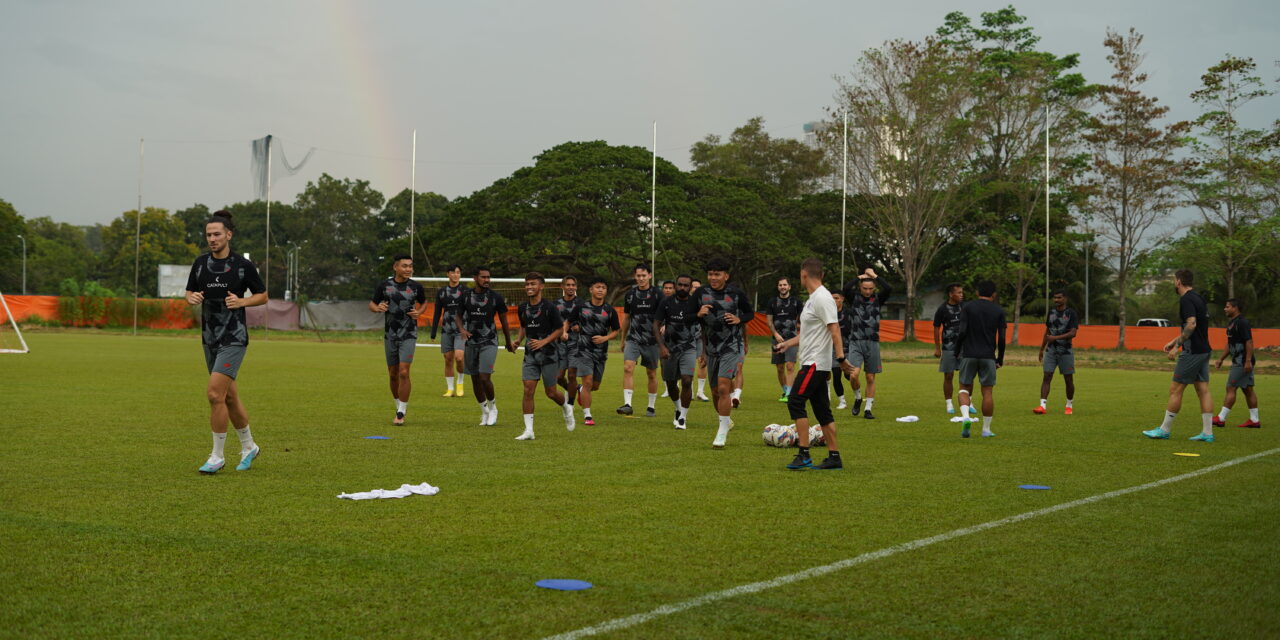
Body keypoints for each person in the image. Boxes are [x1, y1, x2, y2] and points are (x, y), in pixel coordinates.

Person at [184, 210, 266, 474]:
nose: (212, 238)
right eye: (208, 234)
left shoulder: (243, 265)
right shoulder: (199, 264)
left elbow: (262, 296)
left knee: (214, 394)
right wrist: (191, 298)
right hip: (209, 337)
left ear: (229, 235)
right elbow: (190, 291)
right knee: (229, 397)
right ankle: (249, 446)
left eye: (217, 234)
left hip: (234, 336)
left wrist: (242, 301)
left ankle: (216, 456)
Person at [778, 258, 856, 471]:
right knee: (823, 411)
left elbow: (834, 329)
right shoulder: (813, 299)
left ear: (804, 275)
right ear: (820, 274)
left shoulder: (822, 298)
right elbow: (808, 334)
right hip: (812, 362)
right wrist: (787, 344)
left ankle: (803, 454)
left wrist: (840, 358)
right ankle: (834, 457)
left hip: (814, 364)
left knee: (794, 400)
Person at [1145, 269, 1216, 443]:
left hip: (1192, 352)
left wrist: (1177, 346)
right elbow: (1195, 328)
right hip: (1203, 350)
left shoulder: (1186, 300)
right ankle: (1207, 433)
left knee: (1175, 389)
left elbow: (1191, 324)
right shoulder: (1198, 298)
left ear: (1178, 281)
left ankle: (1164, 430)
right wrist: (1174, 340)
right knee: (1203, 390)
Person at [695, 257, 754, 449]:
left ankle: (721, 433)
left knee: (722, 388)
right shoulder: (700, 293)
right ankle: (725, 421)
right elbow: (689, 316)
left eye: (717, 274)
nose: (713, 277)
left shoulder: (736, 293)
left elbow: (749, 314)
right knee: (714, 391)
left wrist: (739, 318)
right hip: (711, 348)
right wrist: (698, 313)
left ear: (726, 276)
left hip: (731, 345)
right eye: (710, 274)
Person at [513, 272, 574, 440]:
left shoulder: (549, 308)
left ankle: (566, 408)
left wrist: (544, 342)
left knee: (551, 393)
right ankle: (529, 430)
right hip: (530, 356)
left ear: (541, 286)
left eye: (533, 284)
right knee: (528, 390)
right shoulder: (522, 308)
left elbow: (559, 329)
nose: (529, 287)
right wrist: (518, 340)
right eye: (527, 284)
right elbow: (523, 326)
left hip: (549, 355)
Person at [369, 254, 428, 425]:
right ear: (395, 267)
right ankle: (398, 404)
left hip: (408, 334)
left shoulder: (416, 287)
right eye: (404, 266)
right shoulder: (385, 286)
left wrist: (420, 312)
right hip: (390, 335)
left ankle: (401, 411)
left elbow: (423, 303)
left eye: (410, 266)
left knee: (404, 371)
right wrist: (378, 307)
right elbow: (372, 304)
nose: (408, 269)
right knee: (393, 374)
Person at [456, 266, 515, 426]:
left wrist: (508, 342)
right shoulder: (466, 296)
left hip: (489, 341)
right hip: (471, 342)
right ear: (475, 278)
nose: (487, 280)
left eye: (488, 277)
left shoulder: (496, 297)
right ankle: (484, 411)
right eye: (483, 277)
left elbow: (504, 321)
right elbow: (458, 316)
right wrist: (462, 330)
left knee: (484, 376)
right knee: (475, 378)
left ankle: (493, 407)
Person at [953, 280, 1005, 439]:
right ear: (994, 294)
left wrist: (957, 351)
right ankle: (986, 429)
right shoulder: (998, 310)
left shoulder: (968, 307)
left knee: (963, 388)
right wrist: (999, 358)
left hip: (969, 354)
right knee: (987, 392)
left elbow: (961, 332)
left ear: (977, 292)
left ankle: (966, 417)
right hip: (988, 356)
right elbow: (1001, 338)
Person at [567, 277, 620, 426]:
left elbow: (616, 330)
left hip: (601, 352)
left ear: (606, 291)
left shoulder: (610, 310)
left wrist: (605, 338)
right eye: (597, 287)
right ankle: (588, 416)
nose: (600, 290)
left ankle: (580, 389)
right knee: (588, 380)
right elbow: (568, 321)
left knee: (594, 386)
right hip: (583, 350)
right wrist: (566, 331)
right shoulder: (581, 307)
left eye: (603, 287)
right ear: (591, 290)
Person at [843, 267, 891, 419]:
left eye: (871, 288)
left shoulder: (878, 298)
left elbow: (889, 288)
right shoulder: (854, 298)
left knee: (870, 378)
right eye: (865, 288)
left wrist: (874, 276)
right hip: (856, 342)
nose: (868, 291)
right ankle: (858, 398)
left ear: (874, 288)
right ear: (860, 287)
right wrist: (860, 277)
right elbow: (845, 288)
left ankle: (868, 409)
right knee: (853, 375)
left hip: (873, 342)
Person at [655, 274, 699, 429]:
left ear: (690, 287)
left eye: (686, 285)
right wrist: (662, 347)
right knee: (671, 383)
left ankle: (682, 418)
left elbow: (704, 327)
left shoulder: (696, 303)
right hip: (670, 348)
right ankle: (678, 408)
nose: (682, 288)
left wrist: (705, 351)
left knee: (687, 380)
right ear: (676, 285)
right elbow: (656, 324)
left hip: (689, 347)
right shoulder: (666, 302)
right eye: (680, 284)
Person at [618, 264, 662, 418]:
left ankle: (651, 406)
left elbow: (666, 314)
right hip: (633, 339)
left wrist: (665, 327)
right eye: (638, 276)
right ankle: (628, 404)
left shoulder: (658, 294)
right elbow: (627, 318)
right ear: (635, 277)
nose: (641, 278)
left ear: (649, 275)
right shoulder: (630, 295)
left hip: (652, 340)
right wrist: (623, 339)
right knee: (628, 368)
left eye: (644, 275)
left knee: (651, 373)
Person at [1214, 298, 1260, 428]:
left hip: (1242, 361)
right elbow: (1230, 344)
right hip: (1240, 360)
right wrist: (1221, 359)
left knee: (1231, 387)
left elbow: (1249, 342)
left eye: (1227, 306)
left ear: (1235, 308)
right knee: (1248, 389)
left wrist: (1247, 361)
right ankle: (1254, 420)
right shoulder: (1232, 323)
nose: (1225, 308)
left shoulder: (1242, 323)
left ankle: (1221, 418)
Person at [1035, 290, 1079, 415]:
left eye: (1059, 298)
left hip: (1065, 351)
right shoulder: (1052, 312)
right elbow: (1047, 331)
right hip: (1051, 351)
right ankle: (1042, 406)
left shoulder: (1071, 313)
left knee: (1068, 379)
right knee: (1047, 376)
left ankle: (1069, 405)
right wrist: (1041, 349)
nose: (1056, 300)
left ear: (1065, 298)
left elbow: (1073, 333)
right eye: (1054, 298)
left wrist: (1055, 338)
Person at [429, 264, 468, 397]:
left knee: (459, 357)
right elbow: (437, 312)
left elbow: (471, 311)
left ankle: (460, 383)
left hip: (461, 330)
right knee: (448, 359)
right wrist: (433, 332)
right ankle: (450, 389)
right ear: (448, 274)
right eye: (453, 272)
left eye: (458, 272)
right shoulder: (442, 292)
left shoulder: (466, 291)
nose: (456, 275)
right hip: (446, 329)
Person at [767, 276, 802, 403]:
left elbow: (802, 319)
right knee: (780, 367)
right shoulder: (772, 302)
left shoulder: (796, 302)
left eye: (785, 285)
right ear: (778, 287)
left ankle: (789, 394)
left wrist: (800, 334)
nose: (782, 287)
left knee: (790, 366)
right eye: (780, 285)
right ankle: (785, 390)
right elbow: (769, 322)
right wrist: (775, 334)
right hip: (777, 339)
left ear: (789, 287)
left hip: (792, 338)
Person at [932, 283, 965, 416]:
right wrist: (937, 347)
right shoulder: (942, 309)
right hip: (948, 347)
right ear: (951, 294)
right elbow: (936, 328)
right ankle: (949, 403)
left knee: (966, 375)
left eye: (962, 293)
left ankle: (969, 402)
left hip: (965, 347)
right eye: (959, 293)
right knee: (949, 375)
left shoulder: (965, 307)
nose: (962, 295)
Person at [553, 275, 584, 408]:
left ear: (576, 287)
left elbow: (589, 323)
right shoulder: (555, 304)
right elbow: (552, 323)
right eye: (568, 285)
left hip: (576, 344)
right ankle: (575, 388)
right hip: (559, 345)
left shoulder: (582, 304)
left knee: (572, 375)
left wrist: (579, 327)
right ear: (562, 287)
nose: (570, 287)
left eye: (573, 285)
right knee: (559, 378)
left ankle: (570, 404)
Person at [830, 290, 853, 410]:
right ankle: (842, 401)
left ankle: (858, 396)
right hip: (833, 350)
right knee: (836, 374)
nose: (834, 301)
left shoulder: (849, 313)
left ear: (842, 299)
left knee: (849, 375)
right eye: (832, 298)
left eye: (836, 298)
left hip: (848, 348)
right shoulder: (828, 313)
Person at [690, 278, 711, 402]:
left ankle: (700, 391)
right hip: (686, 338)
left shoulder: (704, 302)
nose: (696, 289)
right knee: (688, 365)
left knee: (702, 363)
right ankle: (690, 391)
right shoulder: (686, 302)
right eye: (693, 287)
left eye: (698, 287)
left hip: (700, 337)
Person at [659, 279, 676, 398]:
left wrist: (668, 326)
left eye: (670, 288)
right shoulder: (659, 302)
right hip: (661, 338)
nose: (668, 290)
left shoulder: (678, 302)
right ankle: (667, 388)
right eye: (666, 288)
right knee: (663, 363)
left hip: (676, 338)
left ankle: (676, 385)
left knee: (676, 362)